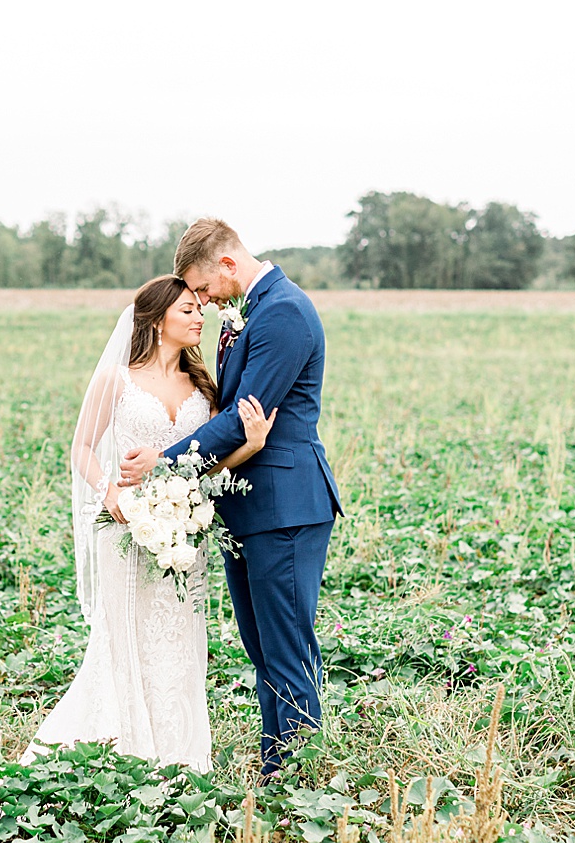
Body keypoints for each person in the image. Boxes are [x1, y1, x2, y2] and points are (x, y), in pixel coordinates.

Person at [22, 274, 275, 772]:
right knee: (126, 641)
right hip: (126, 529)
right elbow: (82, 449)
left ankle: (178, 755)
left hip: (183, 533)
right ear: (157, 321)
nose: (199, 317)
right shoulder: (117, 379)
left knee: (178, 643)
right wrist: (110, 491)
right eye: (187, 310)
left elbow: (212, 460)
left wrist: (252, 445)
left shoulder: (204, 386)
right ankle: (123, 747)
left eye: (198, 310)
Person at [120, 218, 342, 779]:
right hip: (246, 503)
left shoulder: (283, 312)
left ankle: (295, 780)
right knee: (263, 649)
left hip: (285, 505)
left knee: (287, 650)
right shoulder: (252, 310)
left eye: (201, 288)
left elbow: (244, 417)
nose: (201, 300)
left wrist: (164, 462)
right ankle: (278, 765)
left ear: (226, 265)